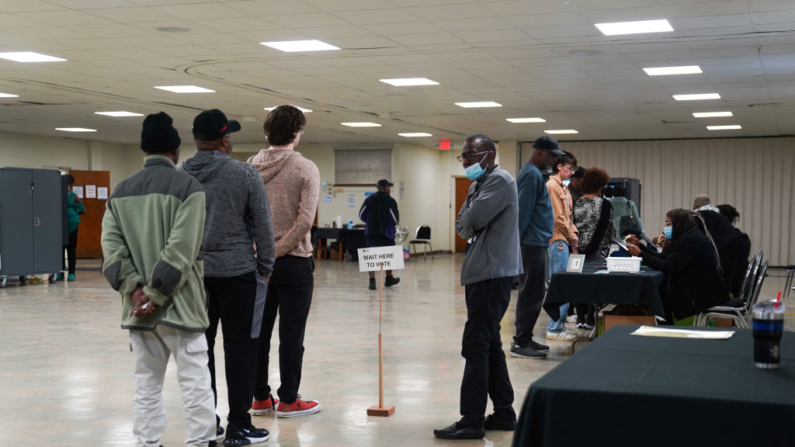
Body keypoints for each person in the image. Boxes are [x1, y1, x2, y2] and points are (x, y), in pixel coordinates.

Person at [100, 112, 216, 447]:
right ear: (176, 151)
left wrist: (135, 291)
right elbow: (182, 249)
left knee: (146, 383)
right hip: (182, 307)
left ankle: (147, 442)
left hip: (138, 312)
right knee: (194, 381)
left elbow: (112, 252)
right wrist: (155, 293)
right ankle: (201, 441)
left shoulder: (120, 192)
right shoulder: (189, 189)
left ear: (143, 149)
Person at [180, 109, 275, 446]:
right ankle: (239, 424)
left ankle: (208, 423)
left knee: (199, 350)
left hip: (193, 278)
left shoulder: (181, 175)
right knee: (241, 350)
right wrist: (265, 268)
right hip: (238, 276)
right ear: (224, 139)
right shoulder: (244, 174)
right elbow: (264, 226)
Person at [434, 134, 522, 440]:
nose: (467, 161)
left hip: (491, 275)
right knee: (490, 343)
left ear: (489, 155)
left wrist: (469, 221)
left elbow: (472, 218)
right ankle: (504, 412)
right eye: (463, 157)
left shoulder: (501, 181)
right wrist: (469, 221)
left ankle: (471, 419)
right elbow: (462, 224)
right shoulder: (476, 185)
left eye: (471, 156)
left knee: (475, 345)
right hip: (479, 274)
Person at [248, 105, 321, 418]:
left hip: (256, 263)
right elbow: (306, 220)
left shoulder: (251, 165)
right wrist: (279, 250)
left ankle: (260, 398)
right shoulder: (306, 168)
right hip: (293, 263)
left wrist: (263, 250)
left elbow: (244, 214)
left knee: (258, 334)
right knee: (292, 335)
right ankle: (289, 400)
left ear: (268, 132)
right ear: (296, 133)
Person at [626, 209, 738, 322]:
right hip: (700, 289)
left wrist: (640, 254)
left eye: (668, 223)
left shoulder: (690, 240)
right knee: (659, 294)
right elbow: (664, 258)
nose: (666, 227)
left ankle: (665, 329)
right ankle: (663, 327)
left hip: (701, 294)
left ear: (679, 223)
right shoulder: (684, 236)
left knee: (657, 296)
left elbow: (670, 266)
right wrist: (640, 247)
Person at [511, 136, 565, 360]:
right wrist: (515, 246)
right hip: (530, 244)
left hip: (537, 242)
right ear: (540, 152)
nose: (554, 160)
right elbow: (522, 213)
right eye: (552, 155)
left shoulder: (534, 174)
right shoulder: (531, 175)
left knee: (534, 293)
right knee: (530, 294)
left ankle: (525, 337)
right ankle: (520, 343)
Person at [572, 167, 616, 329]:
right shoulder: (604, 204)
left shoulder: (576, 202)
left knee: (578, 285)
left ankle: (579, 318)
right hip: (596, 252)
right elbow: (605, 229)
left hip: (576, 251)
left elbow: (572, 226)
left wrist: (578, 249)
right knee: (594, 285)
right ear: (601, 186)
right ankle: (590, 319)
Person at [544, 152, 578, 341]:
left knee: (565, 283)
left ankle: (559, 325)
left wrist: (574, 234)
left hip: (565, 238)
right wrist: (570, 234)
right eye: (570, 168)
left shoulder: (563, 188)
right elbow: (558, 217)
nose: (571, 173)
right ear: (559, 166)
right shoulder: (551, 186)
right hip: (558, 239)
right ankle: (554, 328)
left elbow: (568, 216)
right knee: (560, 284)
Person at [692, 195, 751, 298]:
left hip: (728, 249)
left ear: (695, 207)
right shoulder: (716, 215)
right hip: (740, 244)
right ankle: (732, 295)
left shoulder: (698, 216)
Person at [359, 179, 401, 290]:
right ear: (384, 188)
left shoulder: (369, 200)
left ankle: (372, 281)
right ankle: (388, 279)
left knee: (371, 257)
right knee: (388, 257)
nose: (390, 189)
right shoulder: (391, 201)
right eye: (388, 187)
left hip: (371, 232)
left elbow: (361, 215)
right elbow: (395, 219)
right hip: (386, 233)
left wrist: (370, 222)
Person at [58, 174, 84, 282]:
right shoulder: (57, 194)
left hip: (72, 225)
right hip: (59, 225)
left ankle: (71, 273)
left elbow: (82, 210)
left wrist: (73, 210)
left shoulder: (73, 196)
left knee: (71, 249)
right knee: (59, 250)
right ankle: (59, 271)